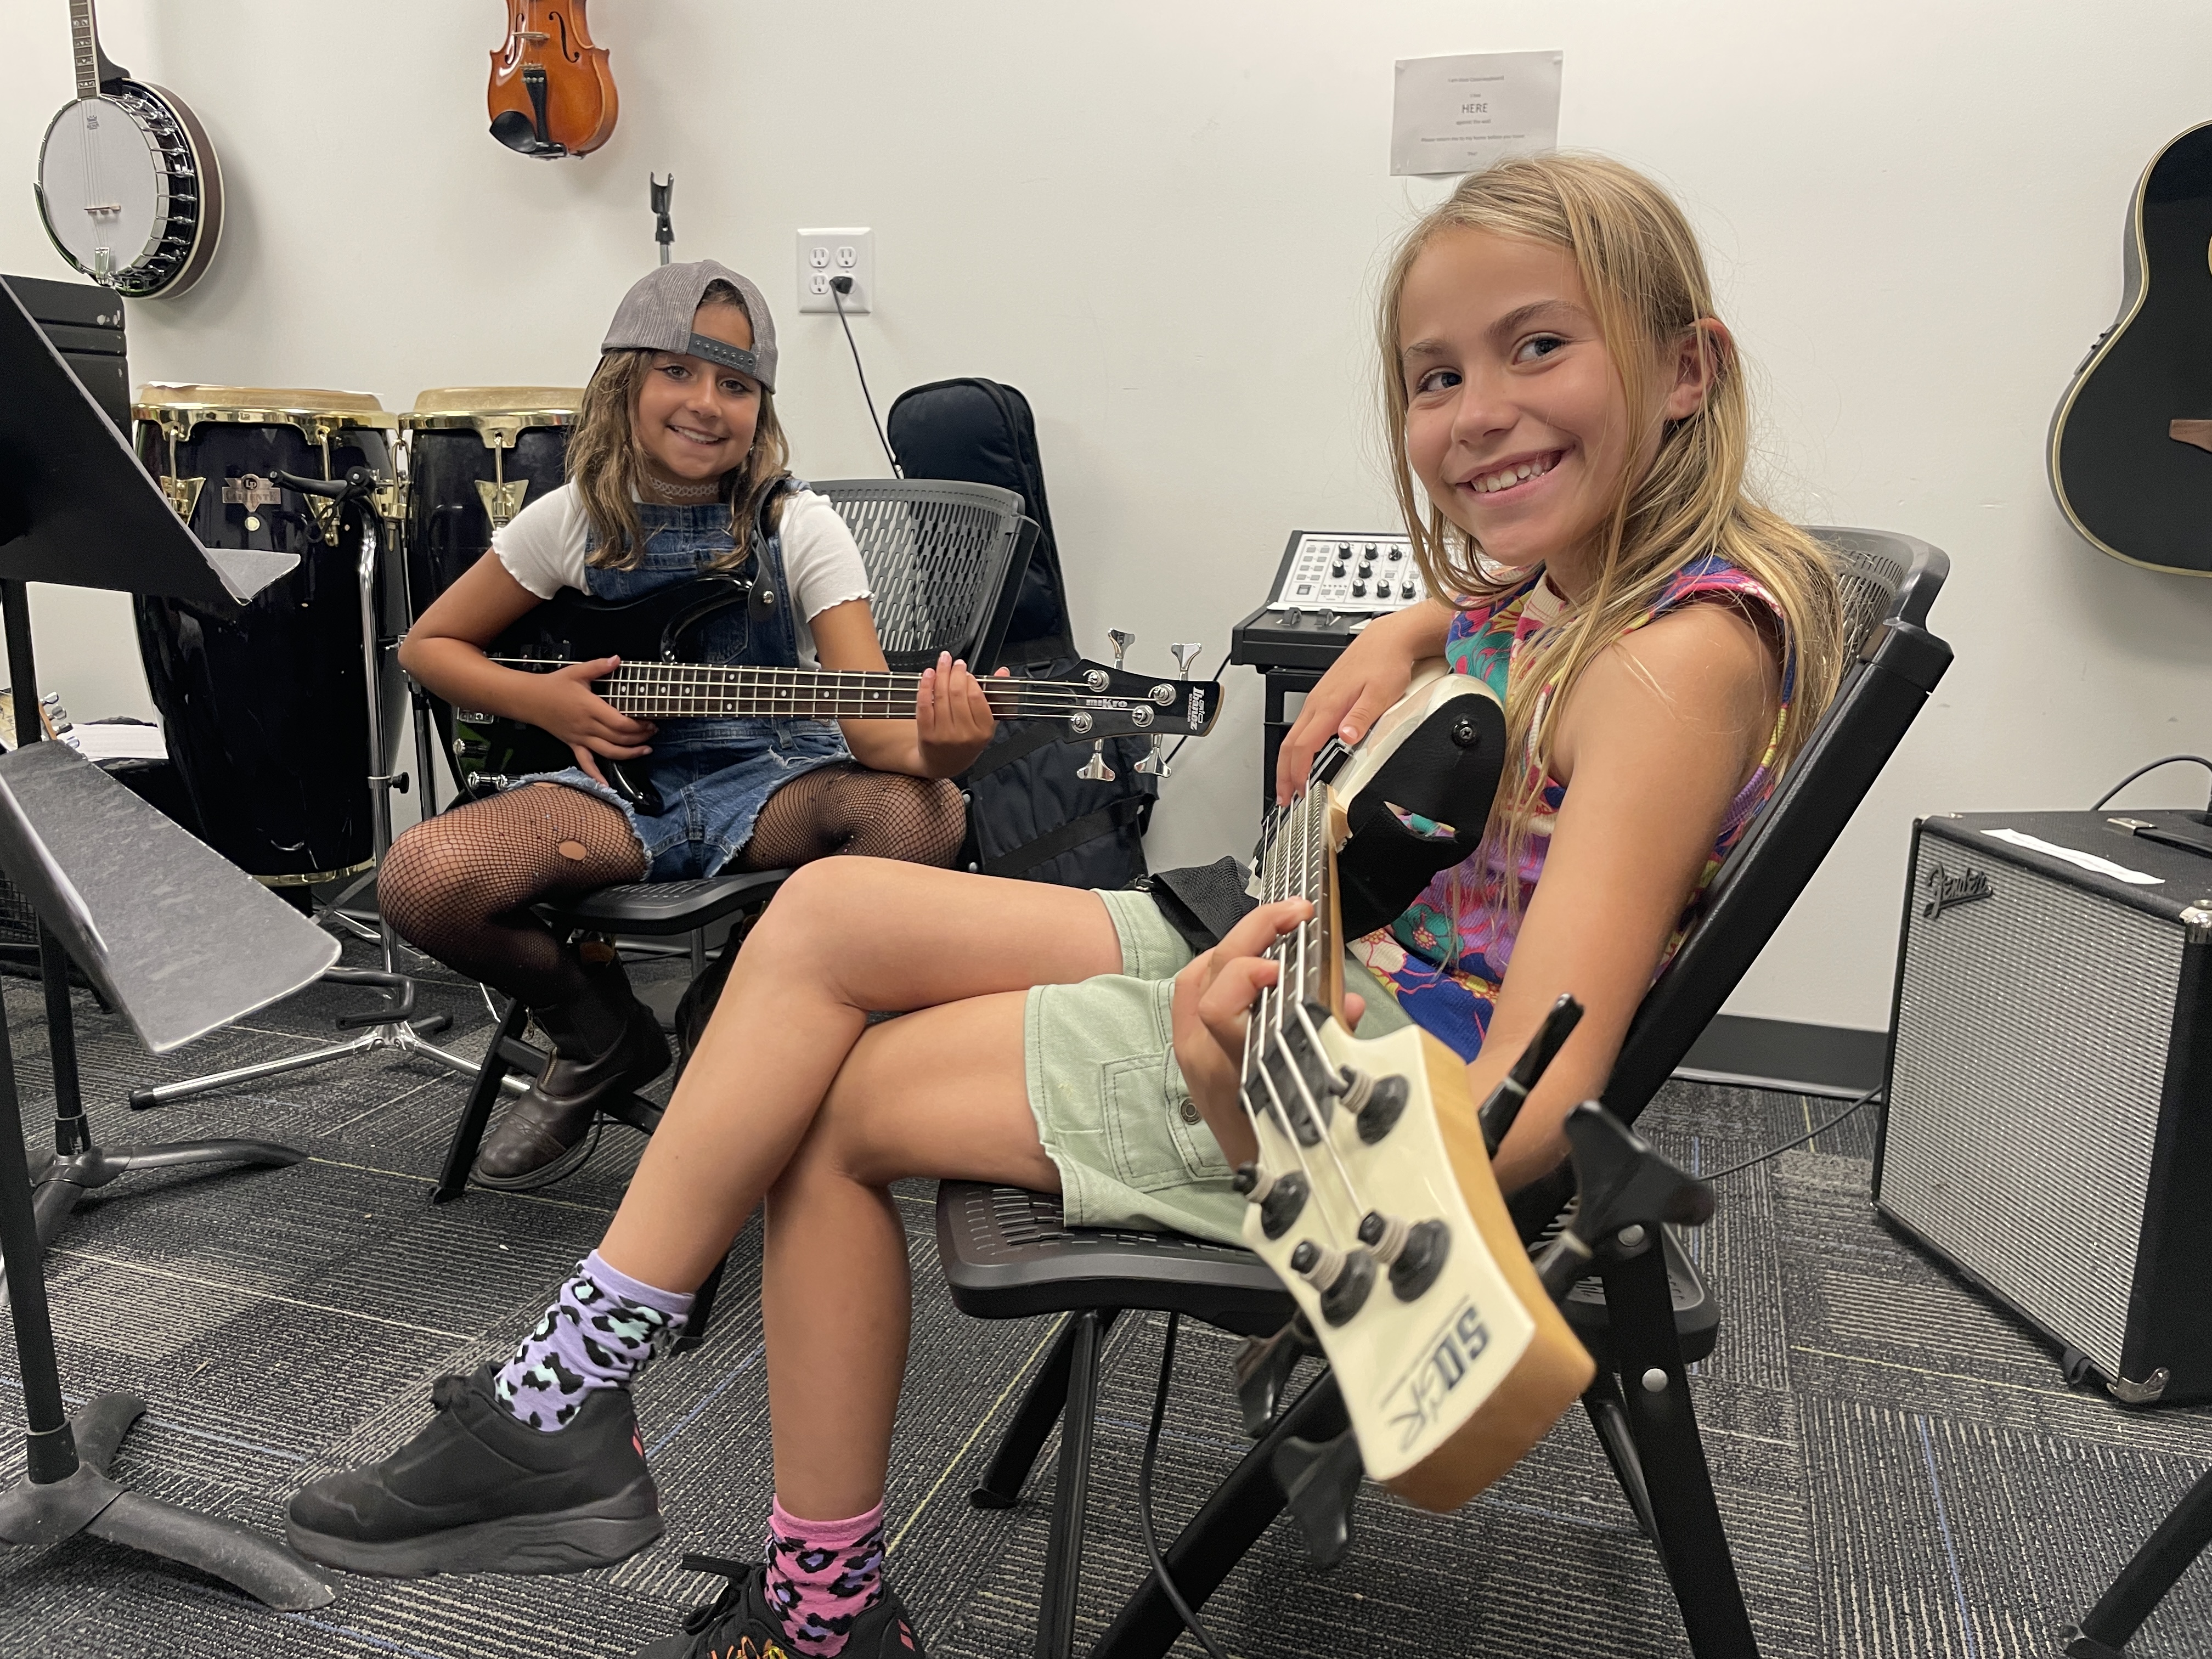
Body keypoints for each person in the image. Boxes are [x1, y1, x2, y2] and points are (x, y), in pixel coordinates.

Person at [287, 156, 1844, 1659]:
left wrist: (1239, 1066)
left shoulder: (1668, 668)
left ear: (1686, 368)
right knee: (826, 912)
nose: (1479, 411)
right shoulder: (1598, 589)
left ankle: (783, 1579)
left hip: (1350, 1074)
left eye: (1539, 347)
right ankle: (572, 1395)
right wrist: (1415, 624)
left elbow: (1533, 1117)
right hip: (1312, 948)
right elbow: (1525, 615)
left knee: (815, 1108)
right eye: (1437, 377)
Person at [383, 261, 1002, 1187]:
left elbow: (877, 735)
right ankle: (599, 1034)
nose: (707, 404)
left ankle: (738, 1003)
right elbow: (429, 646)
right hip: (621, 795)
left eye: (736, 385)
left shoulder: (802, 527)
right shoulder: (569, 521)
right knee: (422, 879)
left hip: (776, 787)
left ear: (762, 408)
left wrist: (943, 748)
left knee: (927, 811)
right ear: (623, 383)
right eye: (678, 372)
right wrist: (547, 703)